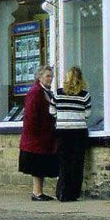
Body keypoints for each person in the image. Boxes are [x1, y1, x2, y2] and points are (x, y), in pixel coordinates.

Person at [50, 66, 92, 202]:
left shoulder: (58, 93)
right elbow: (87, 113)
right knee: (77, 162)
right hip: (79, 131)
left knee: (64, 162)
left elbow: (52, 111)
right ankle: (73, 193)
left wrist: (62, 116)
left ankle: (62, 192)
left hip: (62, 131)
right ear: (81, 79)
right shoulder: (85, 95)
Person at [18, 65, 59, 201]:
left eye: (51, 76)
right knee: (37, 166)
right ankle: (37, 192)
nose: (50, 79)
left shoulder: (46, 91)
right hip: (36, 137)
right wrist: (38, 132)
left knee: (41, 166)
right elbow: (30, 116)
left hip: (44, 136)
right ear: (40, 77)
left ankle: (39, 191)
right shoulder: (35, 92)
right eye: (47, 76)